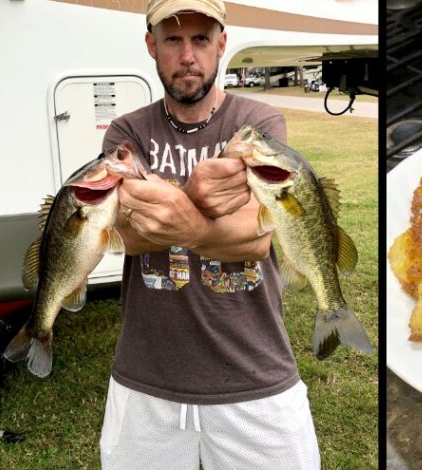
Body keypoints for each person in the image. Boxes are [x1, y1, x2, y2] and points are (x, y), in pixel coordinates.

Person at [98, 0, 320, 468]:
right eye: (172, 40)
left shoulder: (258, 125)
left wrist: (175, 211)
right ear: (151, 46)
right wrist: (200, 204)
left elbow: (254, 238)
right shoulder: (127, 132)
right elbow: (125, 235)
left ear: (222, 44)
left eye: (201, 39)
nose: (187, 56)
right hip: (146, 375)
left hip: (253, 370)